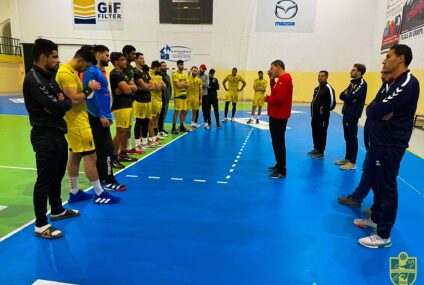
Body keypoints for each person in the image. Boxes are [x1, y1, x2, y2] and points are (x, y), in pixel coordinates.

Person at [354, 44, 419, 248]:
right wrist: (379, 111)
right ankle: (376, 217)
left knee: (386, 186)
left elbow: (377, 108)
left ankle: (383, 234)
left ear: (401, 59)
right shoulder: (390, 82)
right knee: (375, 181)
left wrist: (379, 111)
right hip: (379, 142)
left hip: (391, 144)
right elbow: (372, 107)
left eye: (388, 57)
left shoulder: (407, 82)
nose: (384, 61)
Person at [23, 38, 79, 239]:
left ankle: (57, 210)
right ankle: (40, 224)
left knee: (57, 176)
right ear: (42, 57)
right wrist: (58, 103)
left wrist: (59, 103)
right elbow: (56, 105)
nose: (58, 60)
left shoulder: (49, 77)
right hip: (44, 135)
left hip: (57, 132)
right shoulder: (34, 79)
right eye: (54, 56)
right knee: (44, 180)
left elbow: (67, 101)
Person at [56, 46, 120, 205]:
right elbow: (74, 99)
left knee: (75, 156)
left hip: (78, 120)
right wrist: (89, 89)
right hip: (77, 122)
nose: (86, 69)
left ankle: (75, 191)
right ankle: (99, 193)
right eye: (85, 66)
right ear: (80, 60)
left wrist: (88, 91)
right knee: (91, 156)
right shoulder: (65, 73)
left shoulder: (70, 71)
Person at [338, 70, 391, 212]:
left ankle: (378, 210)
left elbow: (377, 110)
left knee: (381, 177)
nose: (382, 75)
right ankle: (357, 198)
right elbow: (371, 109)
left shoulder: (397, 90)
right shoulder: (383, 90)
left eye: (385, 73)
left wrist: (374, 109)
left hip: (384, 143)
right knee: (367, 170)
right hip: (373, 141)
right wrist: (373, 109)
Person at [83, 45, 127, 191]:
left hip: (102, 114)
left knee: (103, 149)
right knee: (106, 148)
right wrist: (102, 115)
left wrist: (107, 113)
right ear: (98, 55)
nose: (108, 58)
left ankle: (104, 177)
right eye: (106, 55)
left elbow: (102, 94)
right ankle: (108, 181)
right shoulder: (91, 72)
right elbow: (91, 96)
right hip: (96, 116)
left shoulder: (98, 71)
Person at [110, 52, 139, 167]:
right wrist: (127, 88)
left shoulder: (122, 74)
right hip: (120, 105)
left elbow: (134, 87)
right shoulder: (115, 74)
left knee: (126, 131)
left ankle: (123, 153)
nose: (125, 61)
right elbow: (127, 90)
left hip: (127, 104)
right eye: (122, 59)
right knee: (120, 132)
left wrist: (127, 87)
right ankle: (112, 157)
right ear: (116, 62)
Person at [336, 64, 368, 170]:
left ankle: (353, 162)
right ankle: (347, 158)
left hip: (353, 115)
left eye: (353, 70)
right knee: (347, 137)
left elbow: (350, 97)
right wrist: (348, 97)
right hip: (346, 113)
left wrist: (348, 97)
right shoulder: (352, 83)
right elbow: (342, 95)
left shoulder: (362, 84)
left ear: (359, 72)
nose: (351, 71)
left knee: (352, 138)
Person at [265, 60, 293, 179]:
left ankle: (282, 170)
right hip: (277, 115)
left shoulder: (284, 79)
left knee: (279, 143)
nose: (271, 70)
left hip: (279, 116)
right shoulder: (281, 80)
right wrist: (272, 79)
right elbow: (275, 92)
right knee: (276, 142)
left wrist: (267, 98)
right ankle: (279, 164)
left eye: (272, 68)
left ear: (278, 67)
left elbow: (278, 99)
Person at [308, 71, 336, 159]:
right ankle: (316, 148)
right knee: (315, 132)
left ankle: (321, 152)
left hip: (323, 117)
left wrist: (324, 111)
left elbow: (332, 103)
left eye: (322, 76)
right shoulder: (316, 88)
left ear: (326, 77)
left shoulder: (328, 88)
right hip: (314, 116)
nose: (320, 77)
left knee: (321, 133)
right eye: (319, 76)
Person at [121, 45, 141, 154]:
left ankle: (127, 148)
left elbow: (134, 86)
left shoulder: (131, 69)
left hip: (130, 100)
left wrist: (130, 87)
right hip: (122, 103)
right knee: (122, 129)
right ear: (126, 54)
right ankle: (119, 151)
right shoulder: (121, 68)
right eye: (132, 53)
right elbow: (125, 87)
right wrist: (129, 87)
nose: (134, 55)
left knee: (128, 126)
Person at [133, 53, 153, 149]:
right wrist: (147, 86)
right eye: (140, 58)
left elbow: (150, 83)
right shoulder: (135, 72)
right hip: (139, 100)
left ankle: (145, 142)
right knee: (139, 122)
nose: (143, 60)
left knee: (146, 121)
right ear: (136, 60)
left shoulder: (144, 72)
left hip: (148, 100)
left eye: (143, 58)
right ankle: (137, 144)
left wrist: (146, 86)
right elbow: (146, 86)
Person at [149, 60, 166, 145]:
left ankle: (155, 135)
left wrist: (159, 86)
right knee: (152, 119)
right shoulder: (149, 75)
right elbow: (156, 87)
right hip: (152, 99)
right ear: (156, 67)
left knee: (156, 119)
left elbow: (163, 86)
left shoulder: (159, 76)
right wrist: (157, 86)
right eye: (159, 67)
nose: (160, 69)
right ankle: (151, 137)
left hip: (159, 100)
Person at [171, 60, 190, 134]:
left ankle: (181, 125)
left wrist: (182, 84)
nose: (182, 66)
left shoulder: (185, 75)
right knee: (176, 111)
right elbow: (177, 85)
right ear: (177, 66)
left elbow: (188, 85)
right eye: (180, 65)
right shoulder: (175, 74)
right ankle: (173, 127)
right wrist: (184, 84)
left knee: (184, 111)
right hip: (178, 96)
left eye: (182, 65)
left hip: (184, 96)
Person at [158, 61, 172, 136]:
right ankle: (157, 129)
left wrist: (169, 95)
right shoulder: (159, 76)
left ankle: (161, 128)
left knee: (164, 114)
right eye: (163, 65)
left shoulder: (167, 76)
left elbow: (170, 87)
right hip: (160, 98)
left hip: (166, 98)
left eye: (165, 65)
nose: (165, 67)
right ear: (160, 67)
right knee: (159, 115)